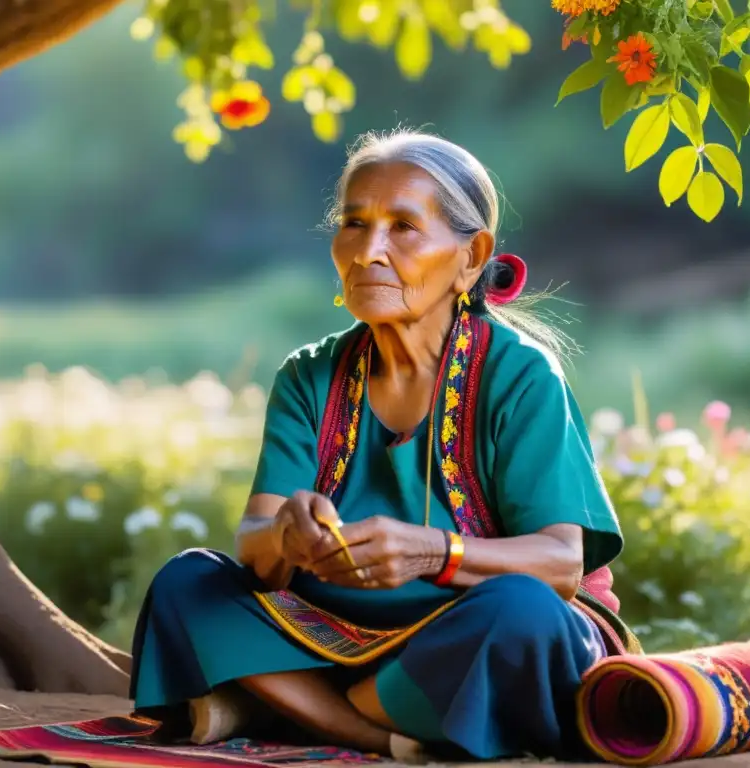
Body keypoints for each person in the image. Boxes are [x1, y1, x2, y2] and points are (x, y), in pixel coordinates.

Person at [129, 129, 639, 762]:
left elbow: (562, 564)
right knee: (190, 583)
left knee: (522, 613)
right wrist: (287, 537)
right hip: (337, 634)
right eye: (354, 223)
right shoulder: (308, 376)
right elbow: (256, 547)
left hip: (473, 637)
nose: (368, 251)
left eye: (403, 227)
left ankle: (287, 705)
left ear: (471, 256)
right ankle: (385, 733)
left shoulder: (522, 374)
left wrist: (434, 553)